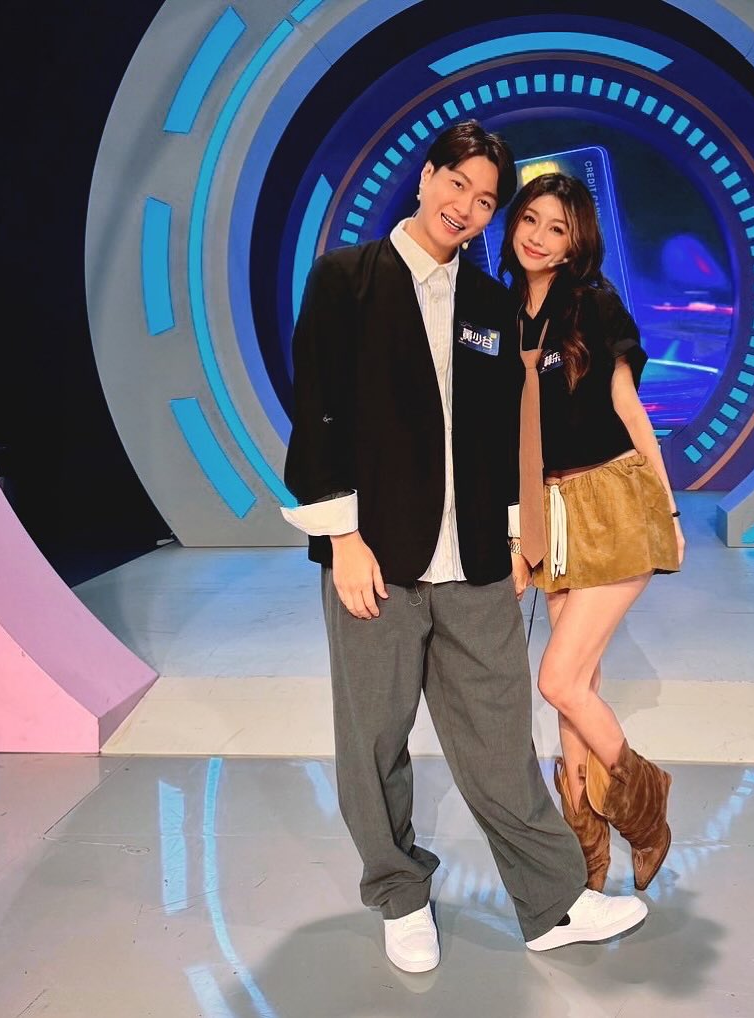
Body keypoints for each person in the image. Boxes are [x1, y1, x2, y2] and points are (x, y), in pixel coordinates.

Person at [280, 123, 646, 974]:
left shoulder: (487, 301)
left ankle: (552, 904)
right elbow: (318, 416)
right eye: (459, 187)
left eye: (485, 202)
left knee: (499, 739)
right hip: (376, 558)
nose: (467, 209)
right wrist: (343, 539)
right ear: (427, 176)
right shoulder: (346, 279)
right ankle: (399, 892)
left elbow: (499, 434)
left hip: (476, 558)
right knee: (374, 739)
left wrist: (517, 538)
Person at [499, 172, 686, 895]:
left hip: (611, 500)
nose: (539, 237)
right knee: (579, 683)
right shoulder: (503, 314)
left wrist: (668, 510)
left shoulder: (594, 303)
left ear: (577, 242)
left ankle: (644, 800)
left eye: (558, 227)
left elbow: (629, 409)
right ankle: (586, 839)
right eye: (530, 220)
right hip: (548, 511)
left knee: (556, 678)